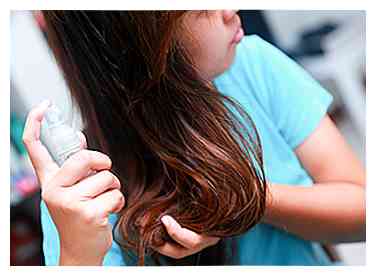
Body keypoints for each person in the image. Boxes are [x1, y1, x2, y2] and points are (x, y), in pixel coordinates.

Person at [23, 10, 365, 266]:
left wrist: (240, 200)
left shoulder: (252, 62)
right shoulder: (85, 193)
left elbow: (363, 211)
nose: (231, 11)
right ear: (135, 39)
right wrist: (79, 254)